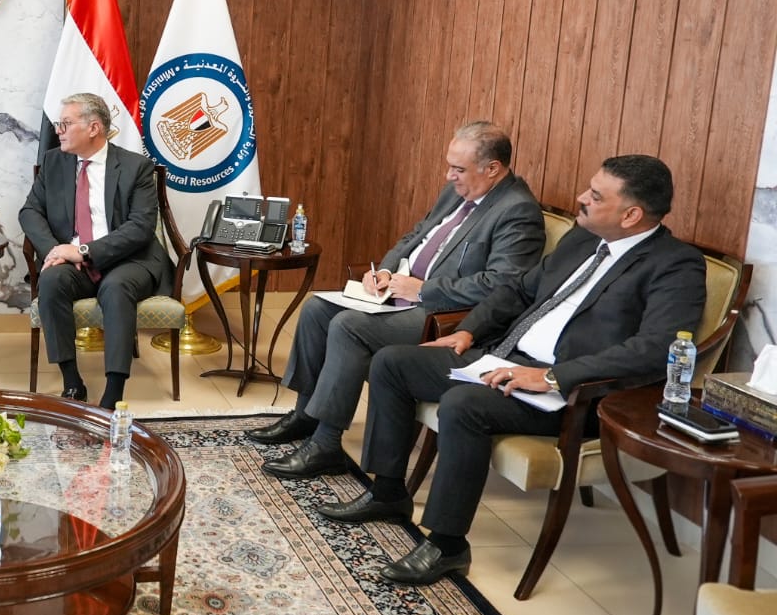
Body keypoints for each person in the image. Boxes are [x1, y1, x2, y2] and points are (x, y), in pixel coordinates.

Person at [317, 156, 705, 586]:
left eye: (596, 196)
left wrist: (553, 377)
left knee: (463, 404)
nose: (581, 198)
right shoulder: (584, 238)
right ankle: (389, 492)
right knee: (392, 362)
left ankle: (447, 545)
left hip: (570, 392)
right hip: (505, 356)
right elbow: (519, 290)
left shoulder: (675, 265)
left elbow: (654, 349)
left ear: (631, 215)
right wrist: (468, 330)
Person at [254, 122, 545, 479]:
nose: (449, 176)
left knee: (349, 327)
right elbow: (415, 236)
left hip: (443, 314)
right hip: (400, 292)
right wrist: (384, 271)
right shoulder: (458, 190)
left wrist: (422, 290)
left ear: (493, 169)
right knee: (317, 309)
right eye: (449, 166)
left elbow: (502, 286)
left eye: (458, 169)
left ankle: (326, 445)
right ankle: (305, 416)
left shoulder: (518, 212)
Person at [20, 93, 173, 409]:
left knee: (116, 288)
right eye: (59, 123)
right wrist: (56, 251)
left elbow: (140, 227)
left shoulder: (135, 167)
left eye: (66, 123)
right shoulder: (53, 162)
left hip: (129, 259)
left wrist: (84, 251)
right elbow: (30, 212)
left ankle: (113, 394)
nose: (58, 130)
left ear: (93, 128)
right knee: (51, 281)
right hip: (72, 259)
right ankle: (72, 383)